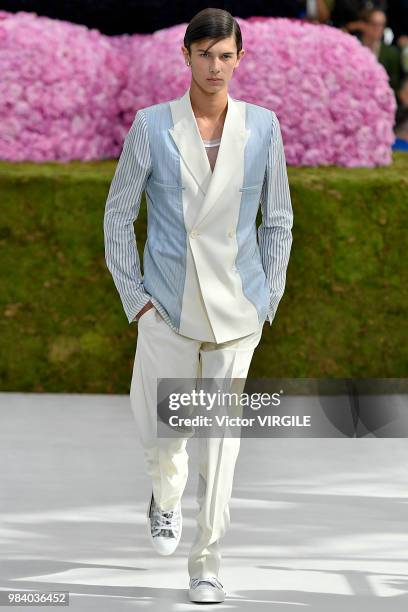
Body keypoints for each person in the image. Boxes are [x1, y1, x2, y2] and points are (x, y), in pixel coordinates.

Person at [103, 7, 293, 604]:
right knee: (166, 437)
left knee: (220, 441)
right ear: (186, 55)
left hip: (238, 312)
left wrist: (269, 297)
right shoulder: (152, 127)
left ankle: (206, 561)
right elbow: (117, 215)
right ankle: (163, 495)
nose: (216, 65)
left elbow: (278, 218)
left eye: (226, 55)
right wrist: (137, 302)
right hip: (167, 307)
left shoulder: (263, 127)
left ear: (241, 59)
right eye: (205, 53)